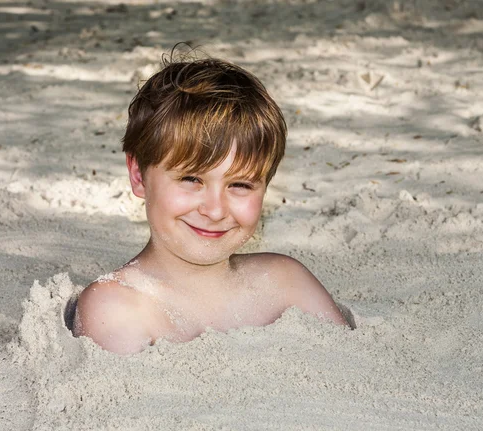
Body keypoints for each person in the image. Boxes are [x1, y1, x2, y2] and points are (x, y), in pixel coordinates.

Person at [74, 51, 348, 354]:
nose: (215, 210)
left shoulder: (286, 282)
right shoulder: (115, 307)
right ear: (138, 175)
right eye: (191, 179)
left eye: (240, 185)